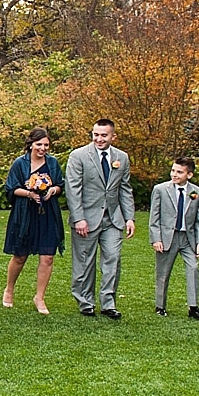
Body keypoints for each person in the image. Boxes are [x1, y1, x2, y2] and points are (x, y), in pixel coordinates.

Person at [64, 118, 135, 319]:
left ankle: (108, 302)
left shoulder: (122, 157)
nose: (99, 139)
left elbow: (124, 189)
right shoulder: (78, 156)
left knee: (113, 259)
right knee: (84, 262)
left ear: (113, 136)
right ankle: (85, 301)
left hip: (113, 219)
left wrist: (129, 217)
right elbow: (73, 189)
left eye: (104, 135)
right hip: (86, 218)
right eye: (96, 134)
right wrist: (79, 218)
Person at [2, 127, 65, 315]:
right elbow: (10, 188)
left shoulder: (52, 163)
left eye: (46, 145)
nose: (43, 148)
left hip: (47, 214)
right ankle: (9, 289)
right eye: (39, 144)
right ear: (31, 144)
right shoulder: (19, 164)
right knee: (20, 255)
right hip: (24, 214)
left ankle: (40, 296)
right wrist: (29, 193)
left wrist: (52, 190)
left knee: (47, 257)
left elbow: (60, 185)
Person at [149, 157, 199, 321]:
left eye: (179, 172)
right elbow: (154, 217)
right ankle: (160, 306)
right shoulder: (160, 190)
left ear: (189, 175)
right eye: (173, 170)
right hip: (167, 236)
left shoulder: (198, 193)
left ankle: (194, 307)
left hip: (187, 237)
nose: (174, 174)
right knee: (163, 272)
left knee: (193, 268)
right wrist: (156, 239)